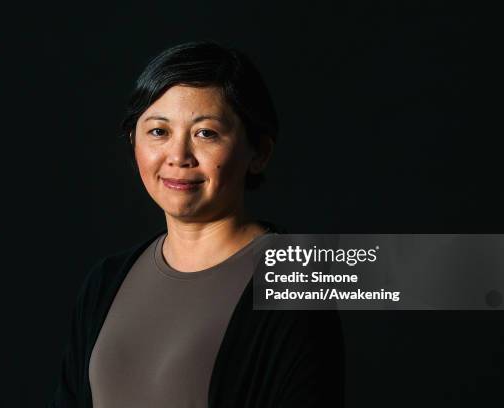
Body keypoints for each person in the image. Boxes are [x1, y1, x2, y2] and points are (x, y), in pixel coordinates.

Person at [49, 41, 344, 408]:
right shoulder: (105, 282)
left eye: (206, 133)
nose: (178, 156)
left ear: (259, 152)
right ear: (132, 141)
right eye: (158, 131)